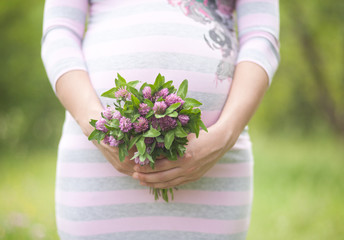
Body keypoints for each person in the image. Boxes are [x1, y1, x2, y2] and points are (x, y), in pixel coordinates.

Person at [41, 0, 279, 239]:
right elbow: (59, 31)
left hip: (216, 165)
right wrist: (97, 124)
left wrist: (225, 134)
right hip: (97, 166)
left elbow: (261, 35)